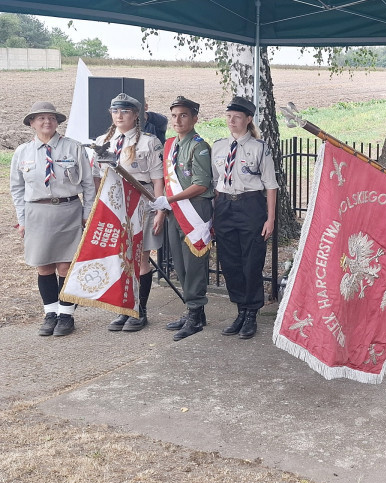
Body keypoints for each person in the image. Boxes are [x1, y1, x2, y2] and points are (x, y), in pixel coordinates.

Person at [10, 101, 96, 337]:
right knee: (43, 266)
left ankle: (66, 315)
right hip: (36, 213)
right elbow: (16, 189)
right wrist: (22, 219)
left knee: (65, 266)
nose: (47, 122)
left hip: (68, 211)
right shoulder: (23, 152)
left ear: (58, 122)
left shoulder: (73, 148)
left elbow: (88, 185)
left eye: (51, 118)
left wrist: (86, 214)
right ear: (31, 123)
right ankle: (50, 314)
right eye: (41, 118)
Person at [93, 93, 165, 332]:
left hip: (141, 202)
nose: (120, 115)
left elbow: (157, 179)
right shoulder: (103, 141)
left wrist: (158, 210)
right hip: (114, 206)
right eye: (115, 111)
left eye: (125, 111)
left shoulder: (149, 142)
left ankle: (139, 309)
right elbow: (96, 179)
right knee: (121, 258)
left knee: (141, 259)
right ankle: (123, 307)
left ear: (136, 115)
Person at [211, 96, 278, 339]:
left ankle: (252, 313)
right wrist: (214, 213)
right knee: (230, 262)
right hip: (225, 206)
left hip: (251, 205)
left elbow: (271, 185)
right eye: (228, 117)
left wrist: (270, 219)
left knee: (251, 261)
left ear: (248, 119)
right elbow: (216, 182)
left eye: (237, 117)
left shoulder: (260, 148)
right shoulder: (219, 146)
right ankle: (240, 309)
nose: (231, 121)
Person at [150, 96, 214, 341]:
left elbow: (201, 184)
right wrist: (165, 204)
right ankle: (192, 311)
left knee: (194, 263)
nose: (178, 120)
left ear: (194, 118)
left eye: (184, 115)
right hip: (175, 210)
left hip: (195, 210)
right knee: (179, 262)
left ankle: (196, 315)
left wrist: (171, 200)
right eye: (174, 115)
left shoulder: (199, 146)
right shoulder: (169, 145)